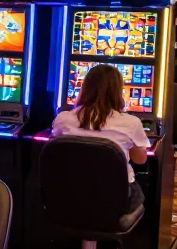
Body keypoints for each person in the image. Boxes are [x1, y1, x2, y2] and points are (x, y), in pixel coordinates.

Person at [52, 62, 148, 212]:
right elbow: (140, 160)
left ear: (85, 88)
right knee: (142, 189)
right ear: (118, 91)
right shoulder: (131, 123)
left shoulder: (63, 119)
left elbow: (57, 146)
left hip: (71, 194)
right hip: (114, 198)